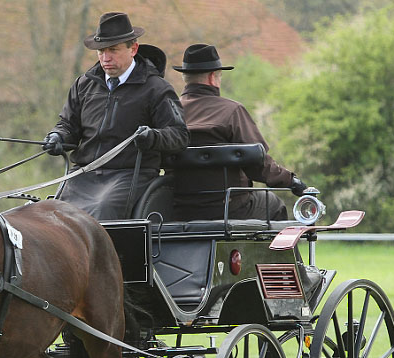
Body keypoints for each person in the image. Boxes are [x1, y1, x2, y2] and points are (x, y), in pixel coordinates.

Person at [43, 12, 189, 220]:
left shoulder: (156, 89)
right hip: (83, 175)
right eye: (101, 51)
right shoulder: (84, 85)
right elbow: (68, 125)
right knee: (53, 216)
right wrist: (58, 137)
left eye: (113, 50)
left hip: (130, 175)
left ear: (133, 49)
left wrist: (152, 137)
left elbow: (179, 135)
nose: (105, 58)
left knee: (99, 212)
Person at [171, 43, 308, 221]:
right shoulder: (231, 111)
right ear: (213, 77)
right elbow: (259, 164)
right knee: (274, 204)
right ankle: (276, 250)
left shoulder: (170, 112)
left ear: (185, 78)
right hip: (229, 207)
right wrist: (291, 181)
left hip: (180, 208)